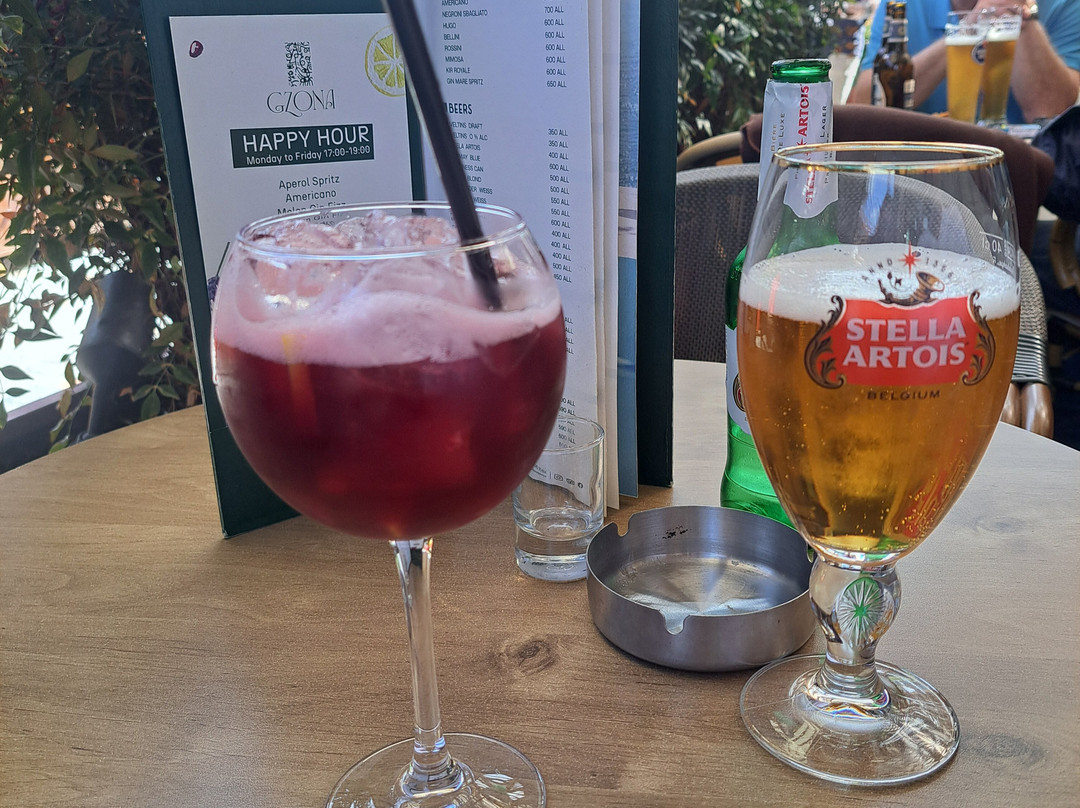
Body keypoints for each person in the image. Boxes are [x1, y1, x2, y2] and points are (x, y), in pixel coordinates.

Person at [849, 0, 1080, 124]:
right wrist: (967, 28)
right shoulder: (903, 4)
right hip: (923, 167)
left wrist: (1022, 18)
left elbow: (1051, 112)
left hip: (1018, 170)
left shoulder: (1063, 5)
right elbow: (868, 103)